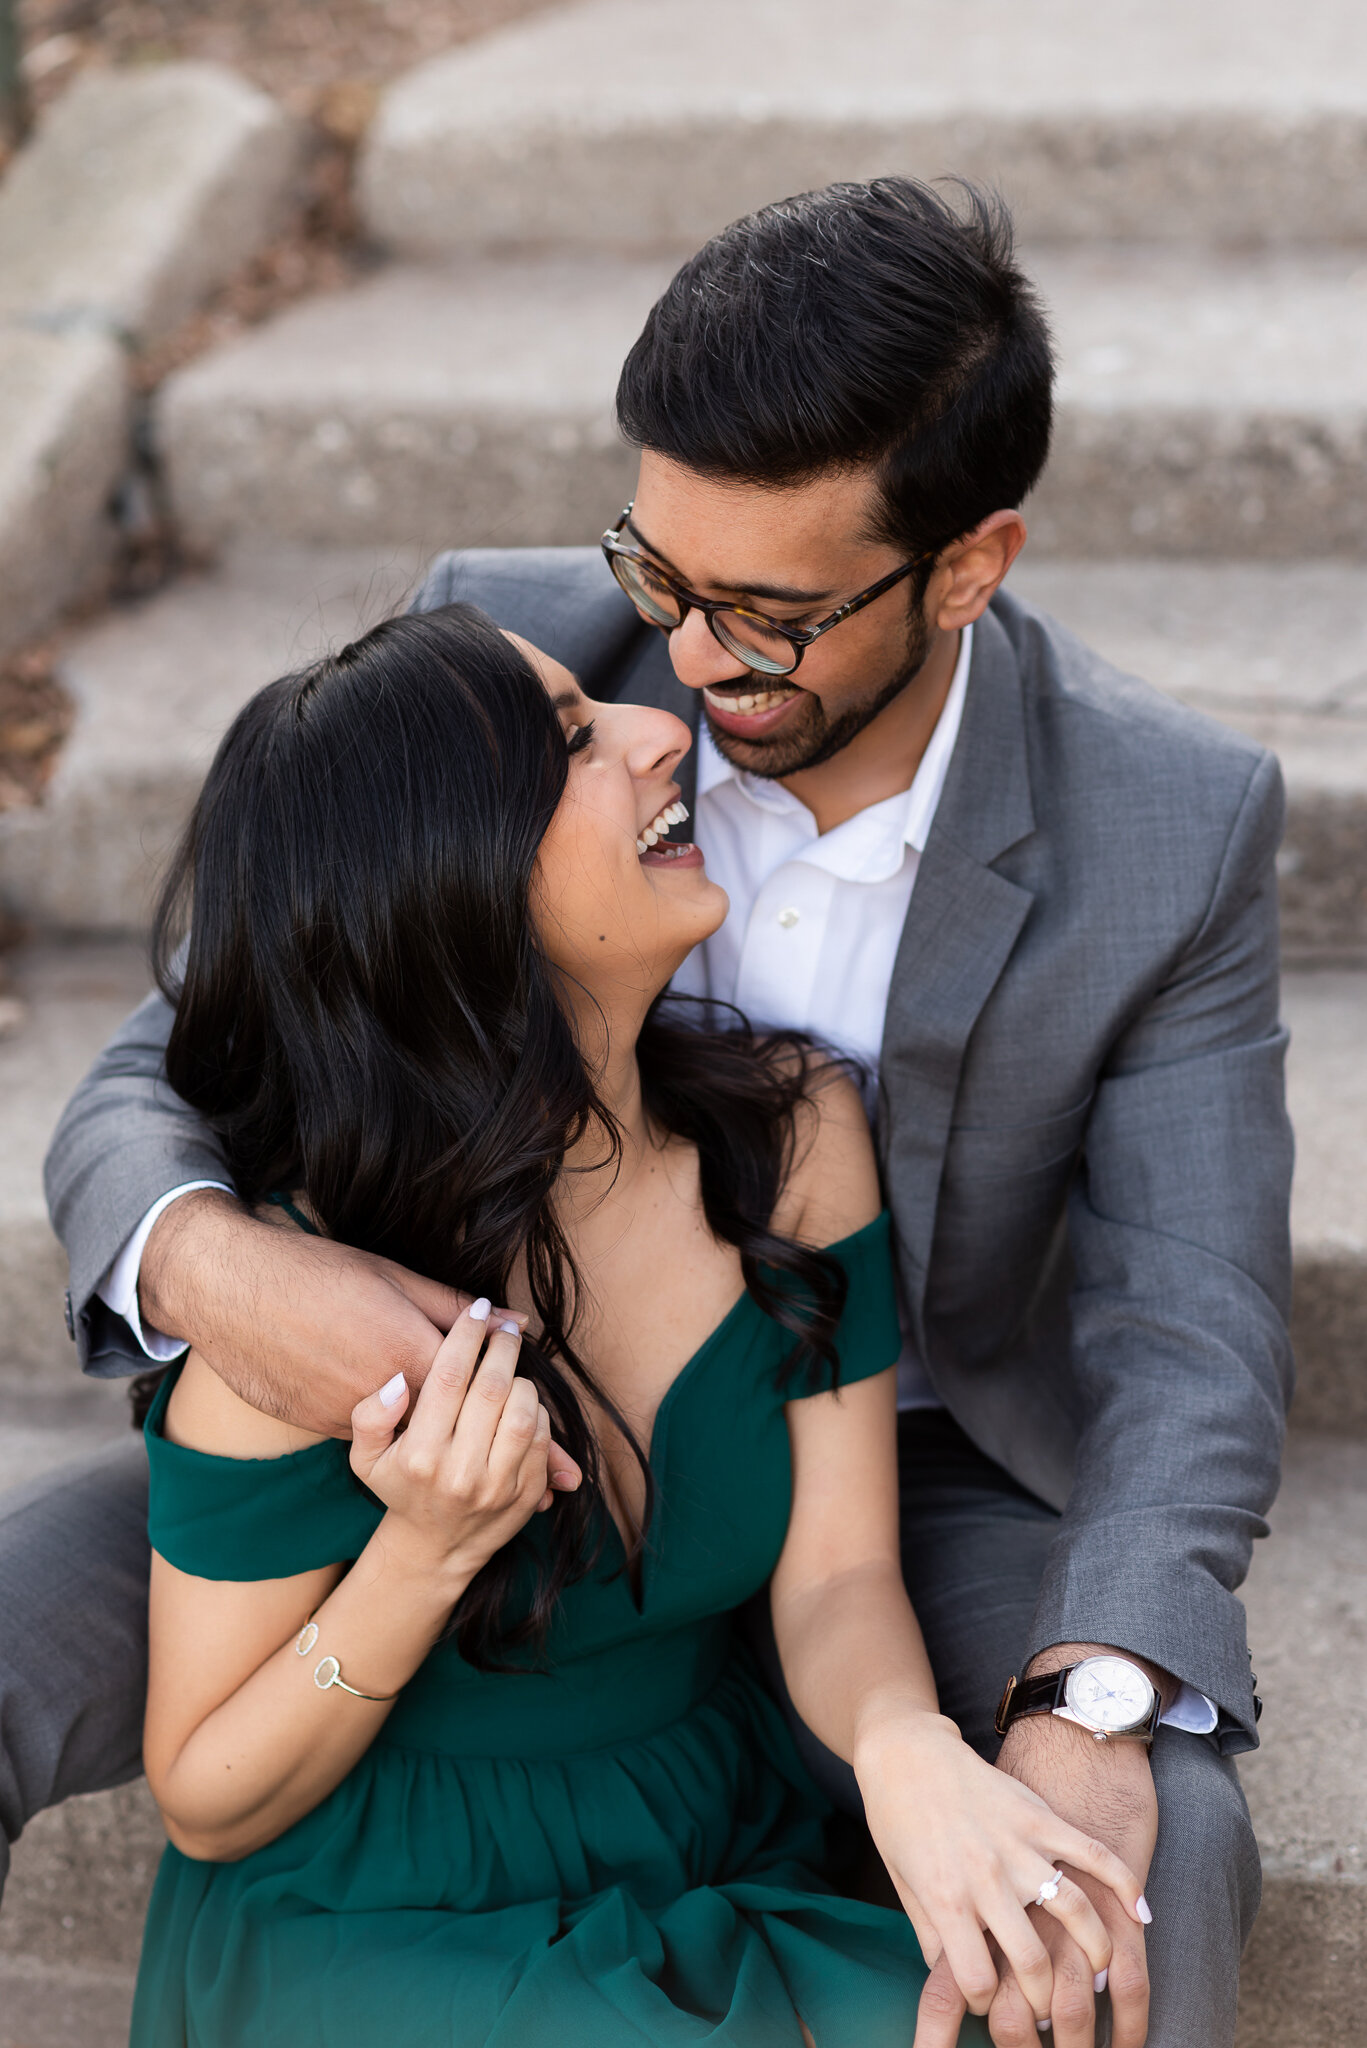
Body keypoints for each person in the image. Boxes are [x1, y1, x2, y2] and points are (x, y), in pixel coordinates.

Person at [16, 177, 1291, 2047]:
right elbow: (181, 1049)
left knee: (1138, 1860)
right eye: (655, 574)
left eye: (764, 614)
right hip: (421, 1419)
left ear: (965, 565)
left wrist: (1080, 1701)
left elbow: (1196, 1327)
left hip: (882, 1456)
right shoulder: (496, 668)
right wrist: (224, 1270)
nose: (684, 672)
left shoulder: (1167, 828)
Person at [125, 603, 1146, 2044]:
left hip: (715, 1844)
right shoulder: (304, 1297)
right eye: (573, 745)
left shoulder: (794, 1140)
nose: (662, 726)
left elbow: (839, 1576)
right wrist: (420, 1556)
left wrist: (905, 1743)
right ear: (447, 880)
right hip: (376, 1913)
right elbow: (207, 1796)